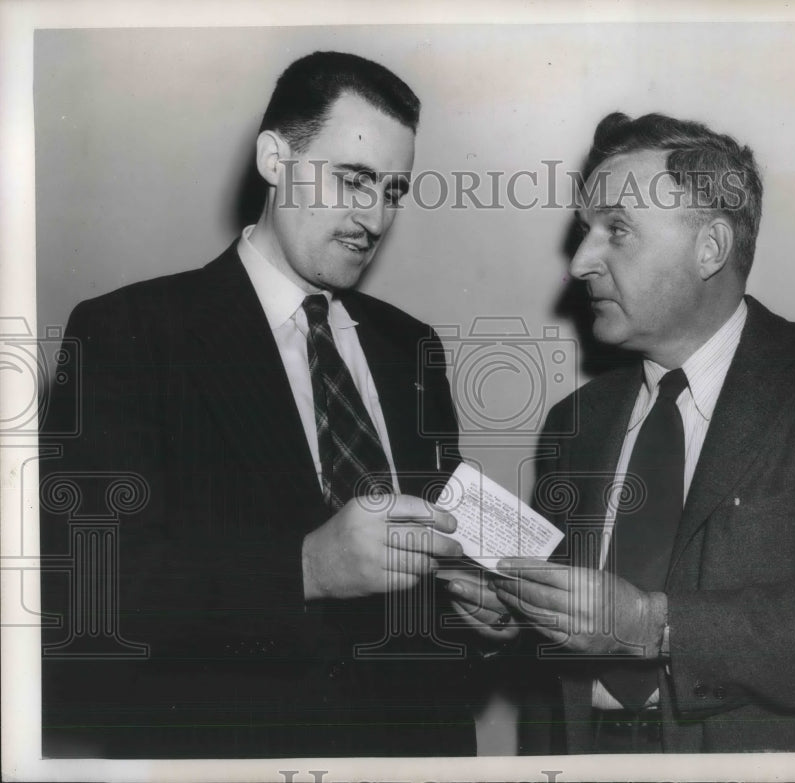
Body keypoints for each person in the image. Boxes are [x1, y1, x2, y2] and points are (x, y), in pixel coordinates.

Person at [40, 51, 489, 758]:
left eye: (393, 190)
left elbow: (431, 578)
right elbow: (92, 593)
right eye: (353, 179)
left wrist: (478, 608)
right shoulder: (128, 332)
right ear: (274, 159)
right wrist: (306, 567)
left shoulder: (413, 347)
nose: (373, 218)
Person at [491, 112, 795, 753]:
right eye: (584, 231)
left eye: (616, 230)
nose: (581, 262)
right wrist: (502, 614)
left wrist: (654, 624)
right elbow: (563, 635)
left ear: (711, 248)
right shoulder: (576, 421)